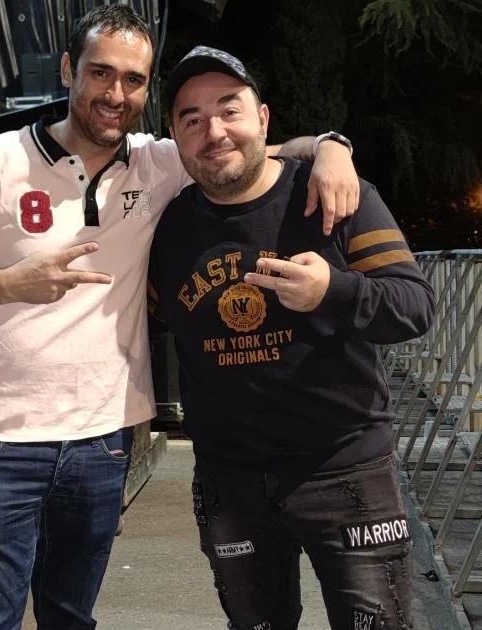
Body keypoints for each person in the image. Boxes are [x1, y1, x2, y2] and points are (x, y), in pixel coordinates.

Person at [0, 5, 358, 629]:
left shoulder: (157, 163)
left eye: (133, 80)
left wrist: (331, 148)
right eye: (100, 73)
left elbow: (253, 150)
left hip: (103, 441)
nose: (115, 94)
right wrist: (7, 283)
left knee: (71, 614)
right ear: (68, 70)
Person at [148, 45, 435, 630]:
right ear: (175, 138)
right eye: (192, 119)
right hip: (229, 481)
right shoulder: (167, 228)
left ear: (263, 119)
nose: (214, 132)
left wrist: (334, 291)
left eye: (229, 110)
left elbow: (415, 307)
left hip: (347, 471)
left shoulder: (334, 195)